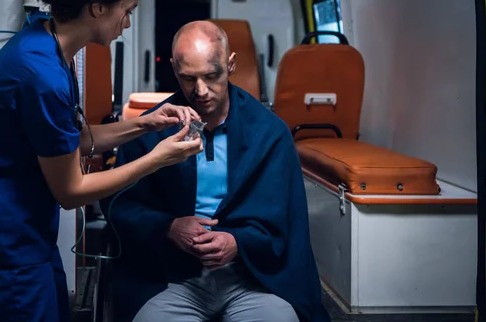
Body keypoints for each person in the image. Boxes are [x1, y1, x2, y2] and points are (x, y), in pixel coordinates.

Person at [0, 0, 203, 322]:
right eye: (127, 10)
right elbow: (70, 191)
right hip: (5, 249)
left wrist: (145, 123)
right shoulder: (41, 75)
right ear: (98, 7)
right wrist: (157, 159)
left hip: (29, 241)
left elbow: (74, 141)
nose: (129, 22)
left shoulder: (48, 44)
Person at [100, 21, 331, 322]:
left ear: (231, 64)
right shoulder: (150, 129)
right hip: (170, 277)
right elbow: (120, 205)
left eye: (212, 76)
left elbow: (285, 218)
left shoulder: (269, 133)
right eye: (188, 79)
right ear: (174, 70)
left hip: (251, 277)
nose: (201, 91)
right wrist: (168, 227)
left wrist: (238, 242)